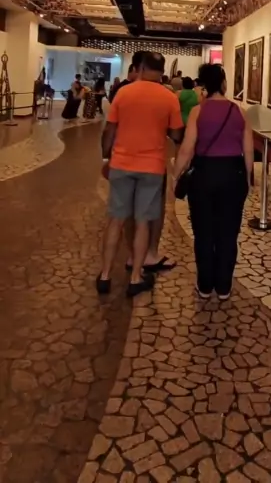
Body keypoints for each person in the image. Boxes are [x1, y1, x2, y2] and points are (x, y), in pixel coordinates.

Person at [97, 51, 184, 298]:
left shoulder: (124, 93)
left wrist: (106, 157)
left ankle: (105, 276)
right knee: (144, 221)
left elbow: (109, 130)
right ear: (162, 71)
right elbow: (176, 134)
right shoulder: (169, 97)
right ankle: (136, 278)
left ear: (142, 67)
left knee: (116, 219)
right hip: (152, 167)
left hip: (121, 164)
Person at [173, 63, 253, 300]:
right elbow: (248, 150)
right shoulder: (240, 111)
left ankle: (205, 285)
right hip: (233, 175)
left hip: (204, 175)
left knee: (203, 231)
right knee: (229, 232)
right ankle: (224, 286)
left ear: (204, 85)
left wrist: (176, 175)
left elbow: (187, 148)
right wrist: (247, 179)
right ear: (224, 83)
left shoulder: (198, 111)